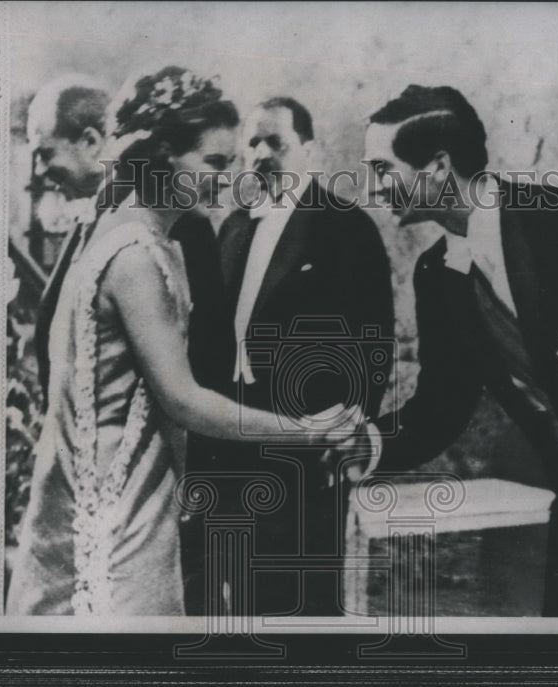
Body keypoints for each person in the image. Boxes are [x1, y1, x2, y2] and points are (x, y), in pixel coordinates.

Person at [6, 68, 356, 616]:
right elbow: (185, 399)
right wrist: (310, 431)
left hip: (131, 491)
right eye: (215, 163)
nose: (227, 178)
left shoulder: (143, 235)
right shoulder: (138, 253)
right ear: (165, 156)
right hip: (114, 503)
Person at [351, 84, 558, 617]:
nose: (373, 186)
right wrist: (362, 445)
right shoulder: (435, 274)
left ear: (439, 166)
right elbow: (441, 408)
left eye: (382, 168)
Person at [179, 97, 395, 616]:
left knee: (294, 601)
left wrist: (341, 429)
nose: (260, 153)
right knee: (217, 593)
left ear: (311, 152)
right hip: (228, 443)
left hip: (302, 451)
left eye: (276, 142)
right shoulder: (232, 228)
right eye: (253, 142)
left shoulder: (344, 228)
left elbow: (374, 343)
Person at [27, 75, 111, 398]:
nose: (38, 171)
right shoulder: (90, 211)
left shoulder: (159, 224)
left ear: (91, 142)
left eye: (45, 154)